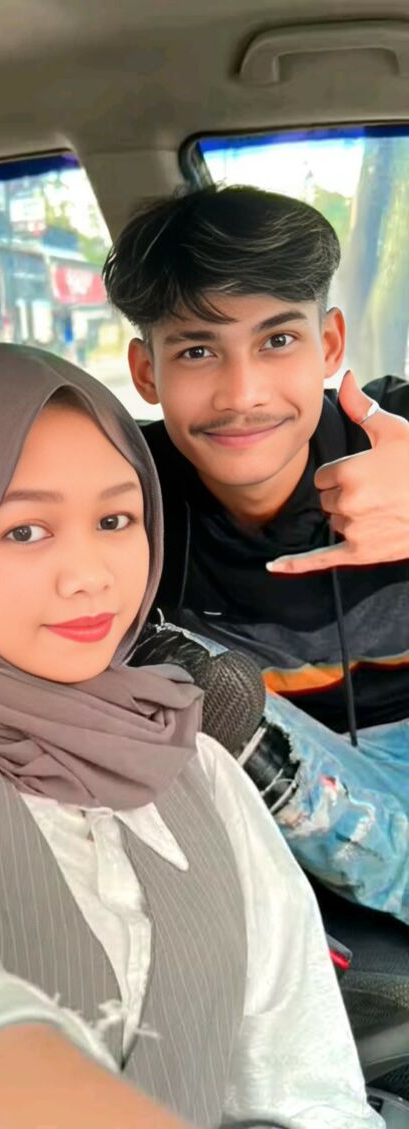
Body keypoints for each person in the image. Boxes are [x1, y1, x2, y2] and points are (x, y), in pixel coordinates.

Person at [0, 344, 380, 1129]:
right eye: (26, 529)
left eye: (115, 519)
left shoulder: (192, 757)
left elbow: (306, 1078)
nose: (90, 573)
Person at [102, 184, 409, 923]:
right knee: (191, 679)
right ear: (147, 373)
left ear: (328, 345)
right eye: (198, 351)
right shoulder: (121, 494)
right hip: (266, 776)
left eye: (277, 341)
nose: (242, 394)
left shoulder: (398, 430)